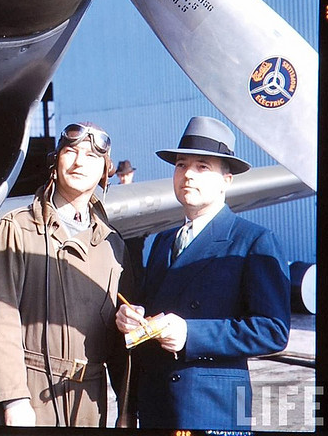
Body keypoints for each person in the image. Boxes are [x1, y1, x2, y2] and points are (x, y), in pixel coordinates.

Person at [115, 116, 291, 430]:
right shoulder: (163, 241)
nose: (188, 175)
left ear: (228, 179)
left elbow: (272, 330)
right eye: (181, 165)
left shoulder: (253, 241)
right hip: (157, 406)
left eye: (203, 167)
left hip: (213, 409)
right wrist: (133, 316)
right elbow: (151, 308)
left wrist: (190, 335)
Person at [0, 122, 134, 428]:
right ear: (55, 161)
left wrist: (126, 410)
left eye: (90, 155)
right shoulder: (17, 229)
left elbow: (119, 336)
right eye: (70, 151)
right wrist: (14, 399)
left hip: (90, 400)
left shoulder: (112, 243)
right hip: (33, 396)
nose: (79, 161)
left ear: (104, 171)